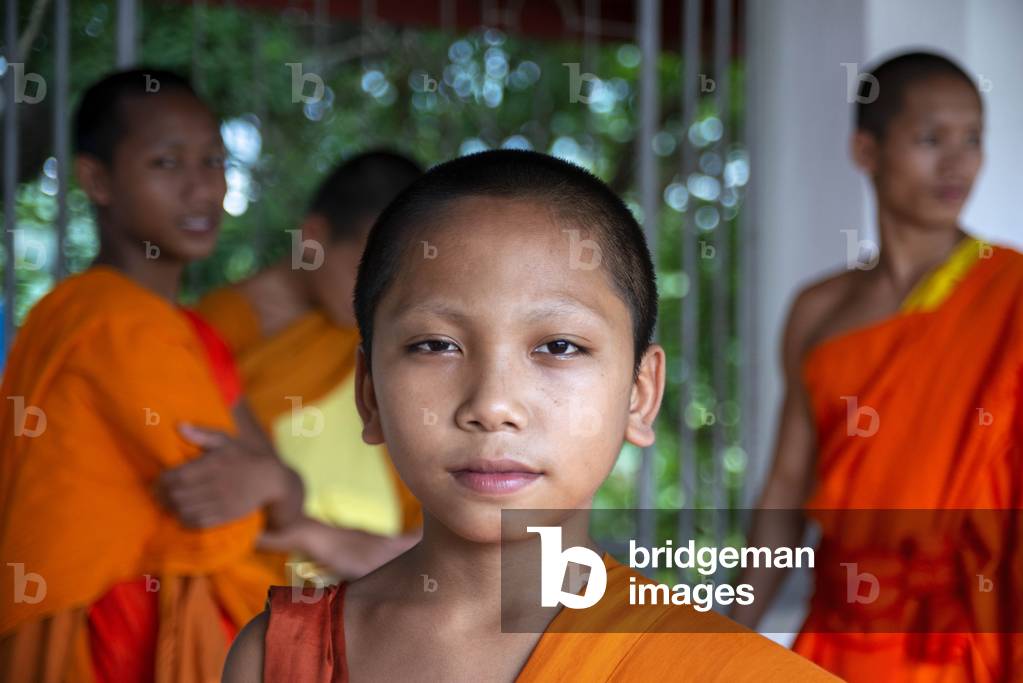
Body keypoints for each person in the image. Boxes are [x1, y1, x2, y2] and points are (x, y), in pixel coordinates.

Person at [222, 150, 839, 681]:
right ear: (370, 392)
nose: (492, 405)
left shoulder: (724, 670)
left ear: (639, 393)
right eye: (435, 345)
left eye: (559, 346)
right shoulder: (279, 659)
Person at [0, 69, 302, 682]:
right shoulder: (104, 321)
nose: (201, 188)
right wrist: (268, 487)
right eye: (167, 164)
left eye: (214, 161)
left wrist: (270, 482)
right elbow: (227, 511)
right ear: (97, 179)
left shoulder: (193, 335)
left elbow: (279, 493)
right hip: (113, 642)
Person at [731, 52, 1023, 681]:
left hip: (973, 637)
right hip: (843, 635)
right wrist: (727, 638)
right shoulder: (819, 311)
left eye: (972, 138)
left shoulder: (1012, 294)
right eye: (930, 139)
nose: (958, 162)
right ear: (866, 150)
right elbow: (786, 486)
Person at [195, 151, 424, 581]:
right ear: (314, 238)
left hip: (378, 609)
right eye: (374, 268)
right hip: (247, 600)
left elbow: (454, 526)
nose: (389, 293)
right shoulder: (215, 331)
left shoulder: (381, 342)